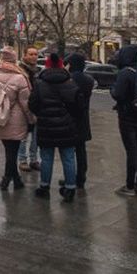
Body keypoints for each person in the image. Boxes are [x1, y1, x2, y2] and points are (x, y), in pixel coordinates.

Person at [30, 53, 80, 202]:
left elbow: (32, 104)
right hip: (66, 125)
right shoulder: (69, 82)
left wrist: (42, 114)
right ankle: (70, 188)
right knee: (69, 157)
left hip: (46, 125)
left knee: (46, 157)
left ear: (46, 65)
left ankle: (44, 187)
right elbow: (77, 105)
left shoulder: (39, 83)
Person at [0, 46, 34, 191]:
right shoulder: (20, 77)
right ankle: (7, 179)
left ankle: (15, 179)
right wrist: (31, 120)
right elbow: (26, 103)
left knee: (8, 150)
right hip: (16, 118)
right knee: (13, 150)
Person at [111, 44, 137, 196]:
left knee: (131, 151)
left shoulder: (125, 73)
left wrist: (112, 90)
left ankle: (129, 185)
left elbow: (118, 94)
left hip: (127, 116)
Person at [64, 53, 93, 190]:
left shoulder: (68, 79)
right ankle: (81, 178)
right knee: (81, 151)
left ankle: (70, 178)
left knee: (69, 151)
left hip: (69, 119)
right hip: (83, 119)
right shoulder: (88, 80)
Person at [17, 47, 41, 172]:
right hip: (23, 108)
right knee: (23, 136)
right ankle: (22, 160)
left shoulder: (36, 71)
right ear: (25, 55)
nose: (34, 56)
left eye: (36, 54)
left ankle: (34, 159)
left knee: (36, 137)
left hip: (36, 107)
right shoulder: (20, 70)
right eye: (31, 54)